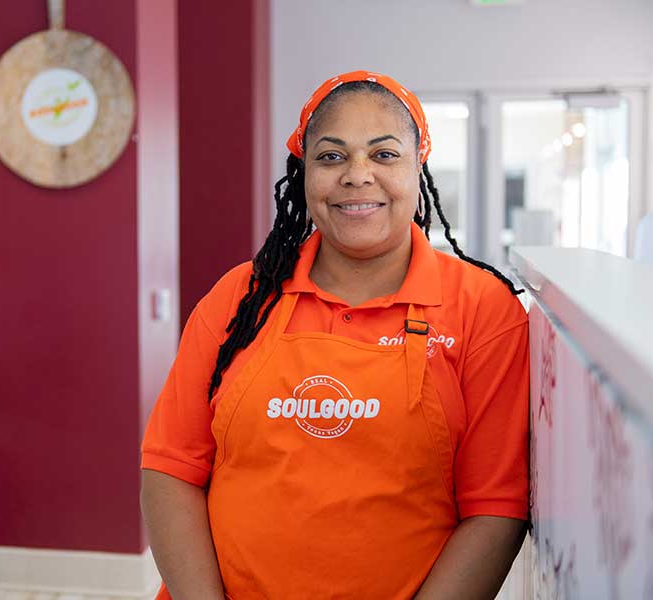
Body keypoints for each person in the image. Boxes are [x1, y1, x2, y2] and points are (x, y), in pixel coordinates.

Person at [140, 70, 529, 599]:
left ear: (419, 167)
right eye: (331, 156)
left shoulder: (483, 311)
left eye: (384, 154)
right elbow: (171, 468)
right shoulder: (241, 298)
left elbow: (494, 508)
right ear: (303, 174)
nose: (356, 175)